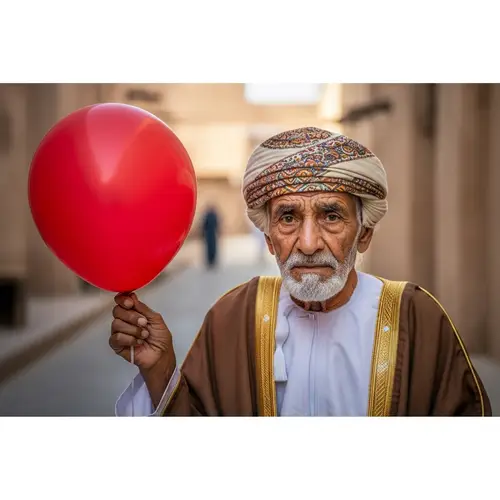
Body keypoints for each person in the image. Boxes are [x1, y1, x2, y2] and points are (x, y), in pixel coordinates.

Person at [111, 127, 491, 417]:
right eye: (288, 218)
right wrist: (160, 367)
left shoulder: (415, 319)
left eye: (331, 216)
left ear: (364, 234)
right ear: (270, 239)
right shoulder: (234, 316)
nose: (308, 243)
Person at [201, 204, 220, 269]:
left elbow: (217, 225)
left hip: (213, 233)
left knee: (213, 248)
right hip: (208, 234)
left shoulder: (214, 215)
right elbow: (204, 225)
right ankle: (209, 261)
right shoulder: (207, 216)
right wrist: (203, 234)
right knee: (208, 248)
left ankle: (213, 261)